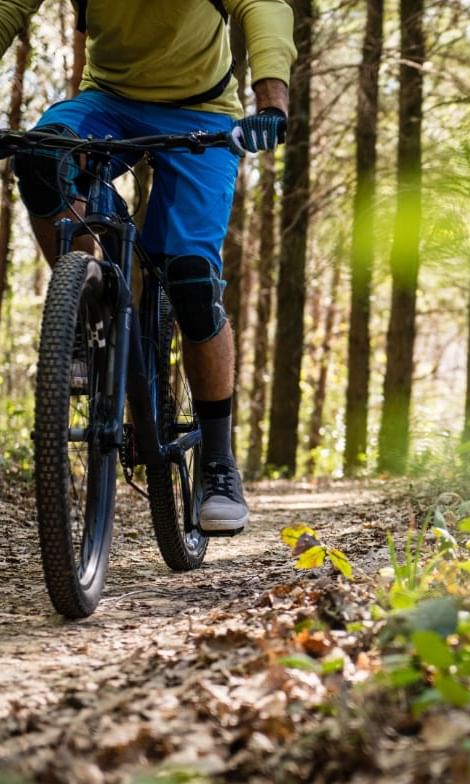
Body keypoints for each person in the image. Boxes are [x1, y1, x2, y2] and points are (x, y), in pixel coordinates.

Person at [0, 1, 297, 534]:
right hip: (106, 102)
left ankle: (218, 462)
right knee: (42, 158)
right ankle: (85, 310)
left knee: (190, 277)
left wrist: (271, 98)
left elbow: (263, 5)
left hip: (204, 111)